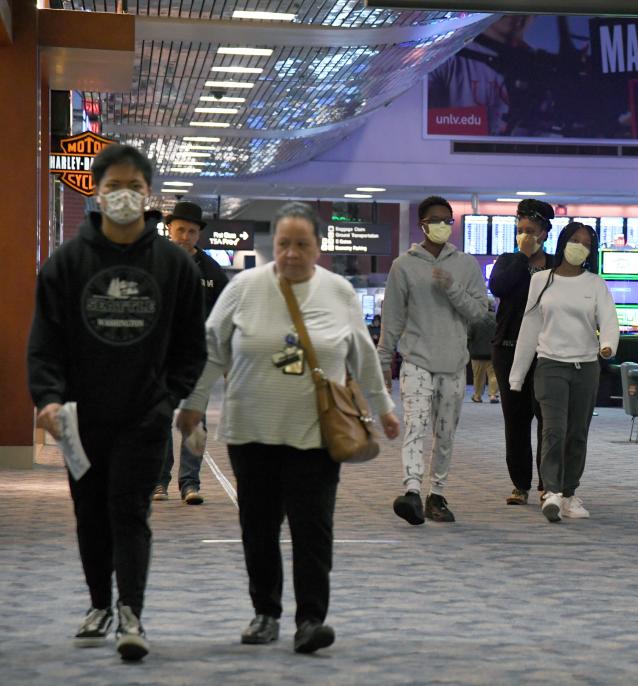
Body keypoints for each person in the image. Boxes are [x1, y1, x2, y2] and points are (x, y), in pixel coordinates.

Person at [177, 202, 400, 650]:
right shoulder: (244, 287)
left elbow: (361, 353)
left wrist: (383, 407)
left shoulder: (337, 291)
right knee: (258, 527)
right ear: (272, 246)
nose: (293, 253)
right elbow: (213, 348)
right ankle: (265, 613)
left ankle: (311, 620)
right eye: (284, 244)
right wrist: (195, 402)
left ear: (318, 248)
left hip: (316, 434)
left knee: (312, 528)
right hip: (251, 430)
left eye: (302, 244)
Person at [27, 144, 206, 661]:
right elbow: (45, 341)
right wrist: (48, 397)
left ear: (147, 194)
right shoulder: (66, 262)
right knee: (90, 514)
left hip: (143, 414)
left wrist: (169, 398)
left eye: (133, 187)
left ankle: (131, 612)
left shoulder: (173, 265)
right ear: (96, 193)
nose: (124, 196)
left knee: (130, 512)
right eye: (113, 187)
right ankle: (98, 604)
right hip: (80, 418)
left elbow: (191, 345)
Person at [378, 196, 490, 525]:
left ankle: (437, 494)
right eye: (436, 219)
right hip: (416, 360)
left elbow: (480, 313)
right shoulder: (404, 265)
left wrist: (452, 288)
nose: (443, 225)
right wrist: (384, 360)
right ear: (422, 224)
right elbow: (393, 318)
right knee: (414, 426)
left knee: (445, 432)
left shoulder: (466, 265)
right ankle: (412, 491)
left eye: (448, 220)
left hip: (454, 363)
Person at [510, 222, 619, 522]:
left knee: (577, 434)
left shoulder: (596, 284)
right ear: (562, 242)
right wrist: (517, 376)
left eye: (586, 243)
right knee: (553, 430)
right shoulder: (542, 281)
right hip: (550, 364)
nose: (579, 247)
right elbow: (529, 328)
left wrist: (608, 345)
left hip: (586, 367)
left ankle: (570, 493)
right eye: (574, 240)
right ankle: (552, 491)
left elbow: (609, 321)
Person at [153, 200, 229, 505]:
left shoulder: (212, 272)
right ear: (169, 229)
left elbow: (226, 318)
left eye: (192, 231)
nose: (185, 235)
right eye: (180, 229)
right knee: (158, 418)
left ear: (199, 235)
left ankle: (190, 483)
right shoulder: (154, 264)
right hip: (159, 358)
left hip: (199, 359)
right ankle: (159, 482)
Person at [489, 199, 557, 505]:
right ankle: (520, 484)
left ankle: (548, 483)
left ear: (545, 232)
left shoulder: (557, 266)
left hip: (547, 354)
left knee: (547, 420)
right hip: (508, 351)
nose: (525, 235)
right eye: (520, 230)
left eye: (531, 230)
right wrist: (523, 257)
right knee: (515, 421)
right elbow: (499, 287)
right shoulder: (507, 261)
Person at [469, 299, 499, 403]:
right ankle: (493, 395)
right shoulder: (498, 318)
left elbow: (469, 335)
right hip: (493, 353)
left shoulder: (474, 318)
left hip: (477, 354)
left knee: (478, 376)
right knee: (494, 375)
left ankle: (477, 396)